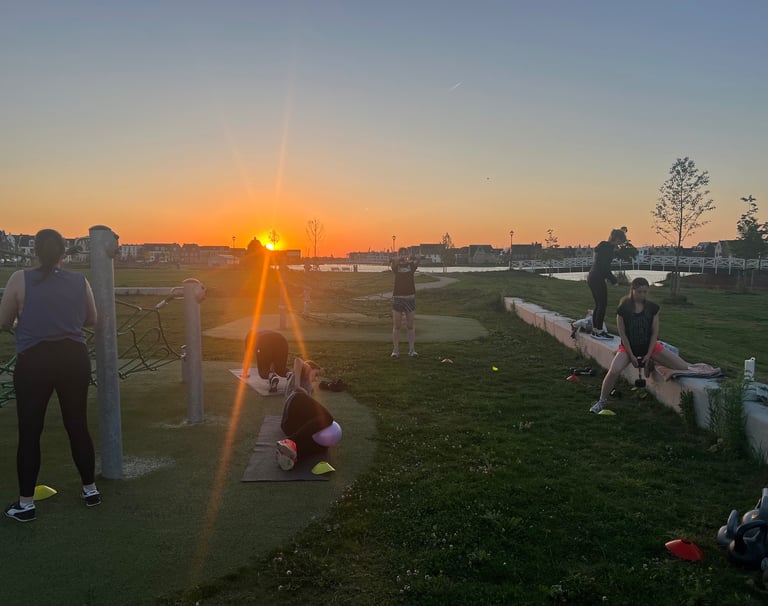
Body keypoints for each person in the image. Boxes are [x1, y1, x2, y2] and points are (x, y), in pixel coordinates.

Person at [0, 229, 100, 522]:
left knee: (30, 431)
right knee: (77, 425)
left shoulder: (19, 278)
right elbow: (91, 319)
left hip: (35, 361)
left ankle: (26, 503)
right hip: (74, 359)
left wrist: (23, 320)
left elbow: (4, 321)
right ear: (63, 254)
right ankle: (90, 489)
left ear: (35, 252)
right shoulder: (80, 281)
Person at [589, 277, 693, 414]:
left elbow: (654, 333)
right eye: (639, 292)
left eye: (645, 292)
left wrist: (649, 354)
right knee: (614, 371)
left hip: (650, 346)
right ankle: (602, 401)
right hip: (627, 348)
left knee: (683, 367)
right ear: (632, 290)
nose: (642, 295)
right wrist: (631, 356)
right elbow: (623, 335)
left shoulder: (653, 308)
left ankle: (652, 361)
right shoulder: (623, 308)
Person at [276, 357, 342, 470]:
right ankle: (290, 441)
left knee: (322, 447)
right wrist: (297, 385)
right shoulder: (305, 372)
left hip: (290, 426)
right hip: (295, 400)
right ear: (311, 368)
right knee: (327, 417)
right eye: (316, 374)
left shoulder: (308, 389)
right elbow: (297, 360)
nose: (315, 379)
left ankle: (290, 457)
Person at [587, 228, 627, 339]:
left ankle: (596, 330)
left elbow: (599, 261)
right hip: (598, 278)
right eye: (621, 241)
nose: (621, 243)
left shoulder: (603, 246)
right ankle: (599, 331)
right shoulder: (608, 249)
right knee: (602, 305)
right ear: (617, 238)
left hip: (592, 276)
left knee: (598, 305)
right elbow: (604, 268)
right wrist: (614, 280)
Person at [390, 255, 419, 358]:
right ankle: (395, 350)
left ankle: (412, 350)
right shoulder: (396, 266)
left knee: (410, 326)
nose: (403, 255)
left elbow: (417, 261)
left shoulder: (411, 266)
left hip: (410, 298)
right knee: (397, 326)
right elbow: (393, 263)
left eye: (404, 253)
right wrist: (396, 259)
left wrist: (416, 257)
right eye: (401, 253)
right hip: (398, 297)